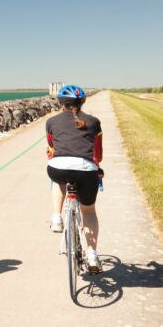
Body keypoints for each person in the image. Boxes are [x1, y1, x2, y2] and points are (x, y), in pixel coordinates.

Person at [46, 84, 104, 273]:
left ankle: (56, 217)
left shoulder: (52, 122)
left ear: (61, 102)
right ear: (82, 102)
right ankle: (92, 255)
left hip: (59, 168)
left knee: (57, 178)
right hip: (86, 171)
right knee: (88, 211)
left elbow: (51, 148)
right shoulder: (94, 122)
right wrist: (98, 168)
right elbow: (98, 154)